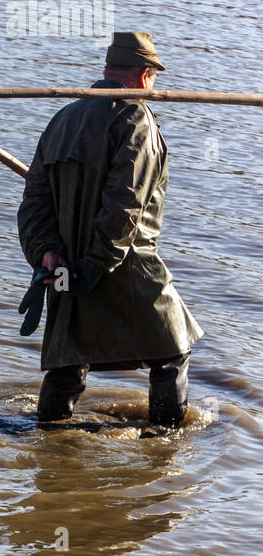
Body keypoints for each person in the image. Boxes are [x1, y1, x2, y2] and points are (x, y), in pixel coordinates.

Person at [16, 31, 202, 426]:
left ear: (108, 69)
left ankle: (50, 434)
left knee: (71, 357)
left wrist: (47, 252)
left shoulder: (63, 118)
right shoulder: (137, 120)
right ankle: (163, 442)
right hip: (126, 262)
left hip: (66, 262)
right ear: (146, 74)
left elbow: (33, 200)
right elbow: (125, 205)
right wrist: (94, 265)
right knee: (173, 349)